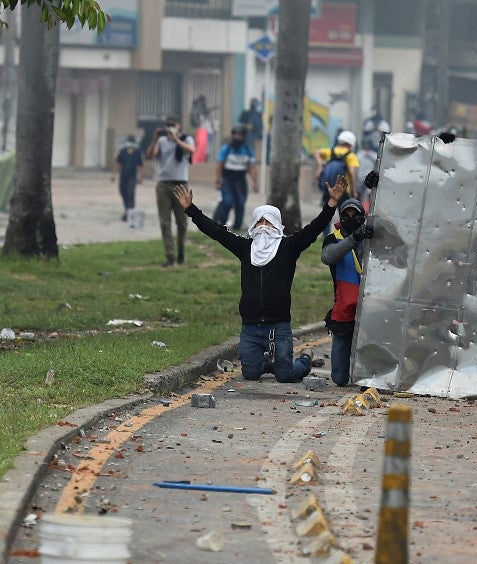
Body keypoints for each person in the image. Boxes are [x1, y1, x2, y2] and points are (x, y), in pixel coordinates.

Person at [174, 175, 349, 382]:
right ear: (253, 226)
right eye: (260, 221)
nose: (264, 226)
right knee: (250, 373)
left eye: (269, 222)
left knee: (285, 376)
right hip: (251, 326)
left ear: (277, 225)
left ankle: (304, 361)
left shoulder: (288, 247)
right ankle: (268, 364)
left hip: (279, 325)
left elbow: (313, 229)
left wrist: (331, 204)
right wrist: (191, 210)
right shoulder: (245, 248)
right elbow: (217, 232)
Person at [321, 197, 374, 387]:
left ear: (363, 216)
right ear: (341, 217)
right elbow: (327, 257)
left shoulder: (372, 235)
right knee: (339, 379)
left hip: (372, 308)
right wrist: (354, 238)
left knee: (368, 378)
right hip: (345, 309)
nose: (351, 218)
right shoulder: (333, 238)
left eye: (356, 214)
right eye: (347, 214)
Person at [145, 115, 195, 266]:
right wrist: (154, 139)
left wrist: (177, 140)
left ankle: (181, 252)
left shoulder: (186, 139)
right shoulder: (161, 141)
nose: (170, 127)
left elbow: (192, 151)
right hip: (164, 185)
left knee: (182, 223)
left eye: (173, 125)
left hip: (181, 185)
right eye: (168, 125)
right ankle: (170, 256)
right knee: (165, 222)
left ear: (179, 125)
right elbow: (149, 155)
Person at [212, 124, 258, 230]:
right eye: (236, 135)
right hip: (227, 180)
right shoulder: (226, 149)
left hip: (241, 181)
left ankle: (237, 226)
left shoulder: (248, 150)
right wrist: (218, 181)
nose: (238, 137)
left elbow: (252, 167)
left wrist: (255, 182)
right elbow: (219, 165)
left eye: (240, 135)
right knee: (227, 202)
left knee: (240, 204)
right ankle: (221, 226)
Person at [314, 130, 359, 206]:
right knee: (345, 214)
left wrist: (320, 166)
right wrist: (354, 191)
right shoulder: (351, 156)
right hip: (343, 190)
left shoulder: (331, 152)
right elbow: (352, 174)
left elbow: (317, 152)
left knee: (326, 214)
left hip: (329, 189)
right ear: (351, 144)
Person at [112, 134, 144, 222]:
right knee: (123, 193)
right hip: (123, 177)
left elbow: (140, 165)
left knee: (130, 195)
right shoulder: (122, 151)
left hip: (132, 177)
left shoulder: (137, 151)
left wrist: (141, 176)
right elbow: (119, 163)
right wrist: (114, 175)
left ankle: (130, 215)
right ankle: (127, 211)